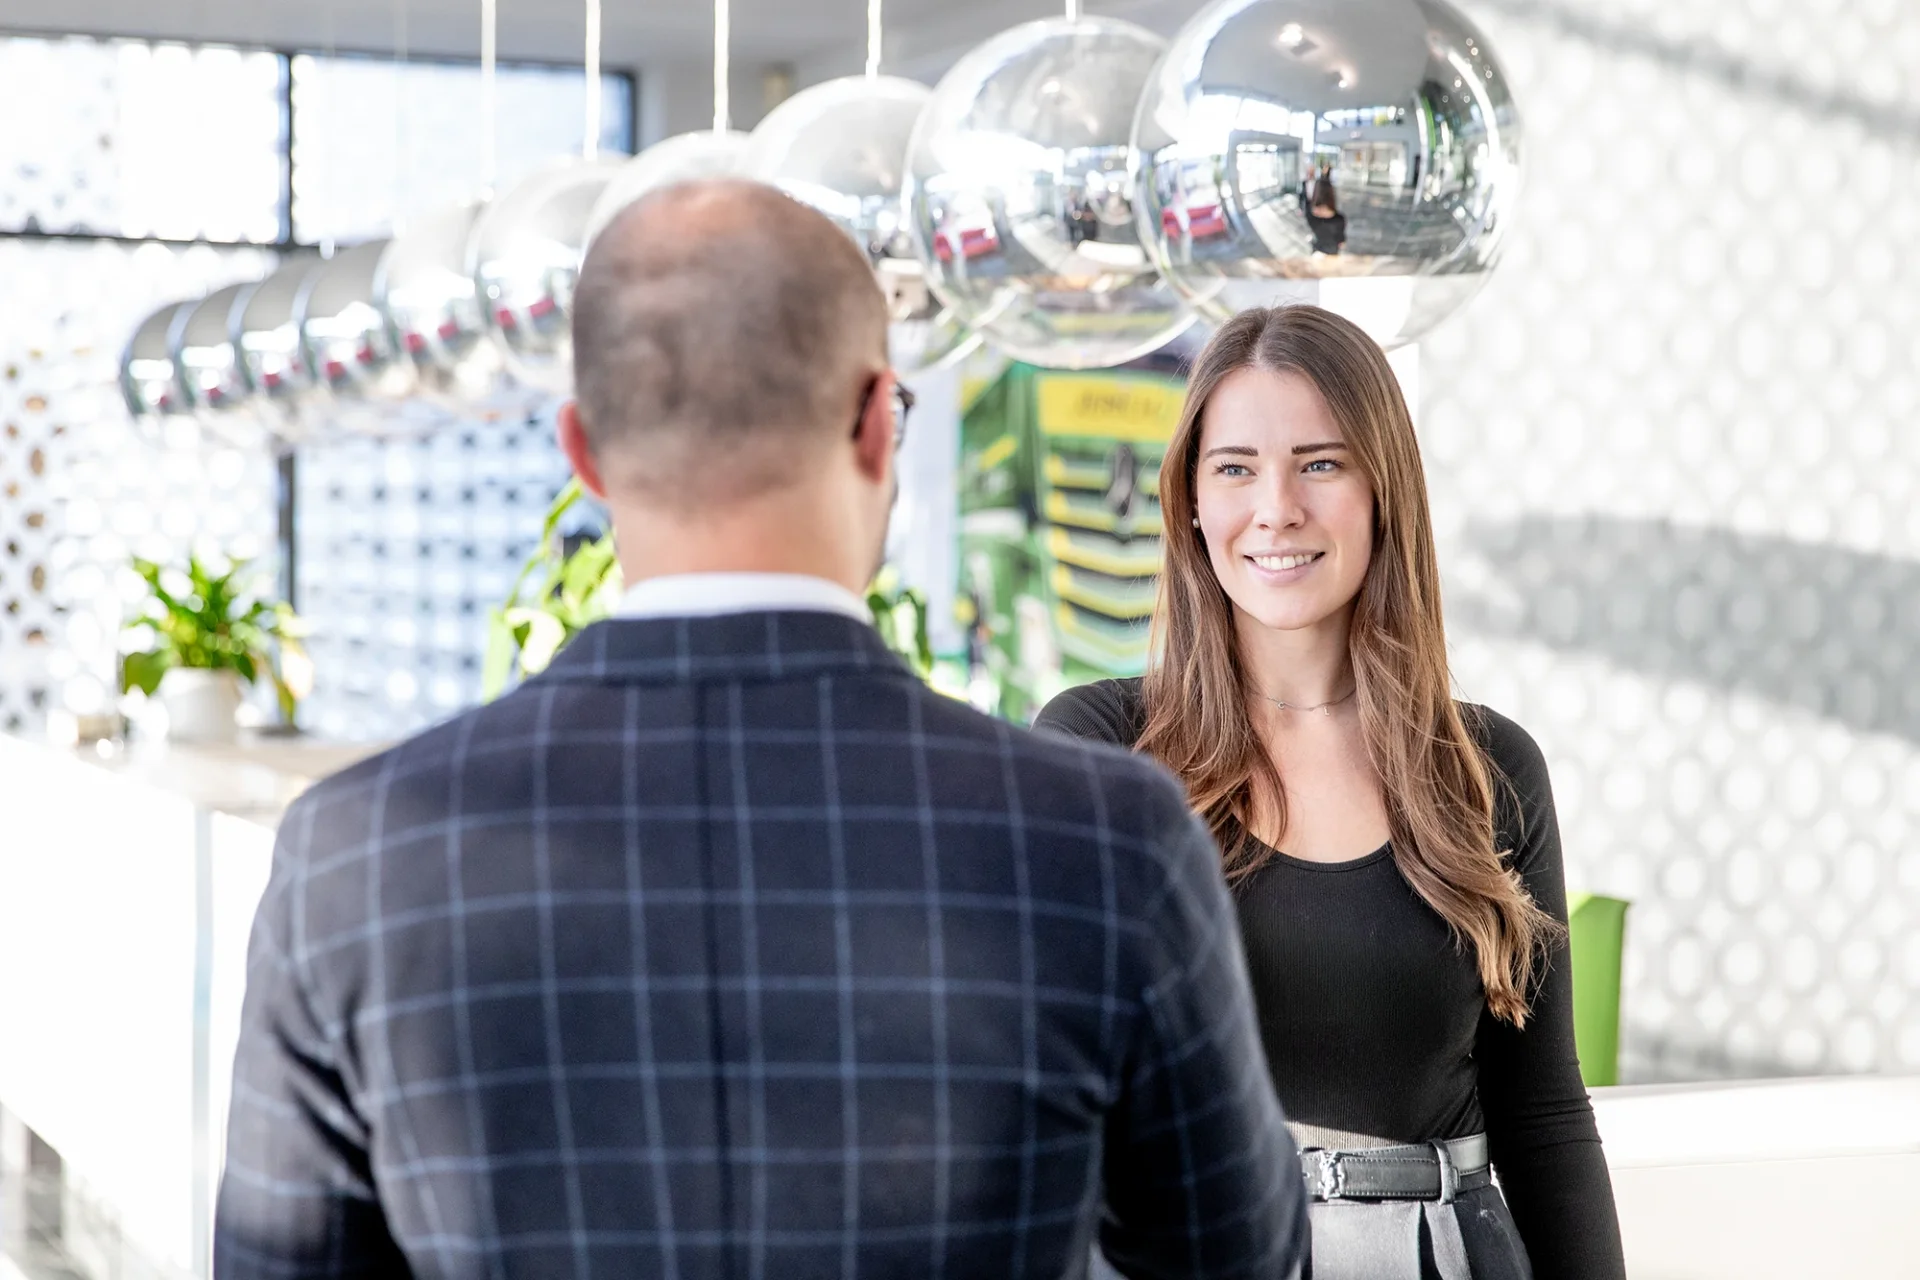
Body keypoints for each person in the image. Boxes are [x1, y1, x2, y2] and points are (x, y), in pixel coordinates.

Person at [213, 180, 1308, 1279]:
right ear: (880, 424)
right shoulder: (1104, 838)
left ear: (584, 452)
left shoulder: (354, 856)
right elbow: (1240, 1261)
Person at [1036, 305, 1627, 1280]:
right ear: (1188, 498)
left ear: (1381, 490)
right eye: (1234, 466)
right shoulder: (1100, 746)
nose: (1275, 507)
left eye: (1320, 462)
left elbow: (1545, 1115)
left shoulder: (1487, 767)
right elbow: (1052, 1082)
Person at [1305, 180, 1346, 256]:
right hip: (1332, 254)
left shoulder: (1311, 216)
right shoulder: (1339, 220)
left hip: (1317, 253)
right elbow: (1341, 243)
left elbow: (1306, 202)